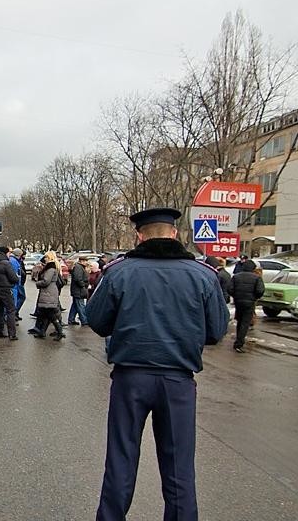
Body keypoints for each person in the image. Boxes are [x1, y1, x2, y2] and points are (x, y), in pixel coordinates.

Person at [86, 207, 229, 521]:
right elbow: (217, 330)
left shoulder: (119, 271)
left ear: (139, 236)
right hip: (178, 380)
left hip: (130, 379)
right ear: (174, 233)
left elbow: (96, 320)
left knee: (121, 459)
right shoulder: (203, 274)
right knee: (179, 467)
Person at [228, 260, 264, 353]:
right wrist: (255, 297)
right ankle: (239, 343)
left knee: (240, 321)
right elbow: (260, 290)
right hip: (250, 303)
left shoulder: (236, 277)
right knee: (245, 322)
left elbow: (230, 289)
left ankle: (238, 340)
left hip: (238, 302)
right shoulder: (256, 278)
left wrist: (235, 296)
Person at [29, 251, 64, 340]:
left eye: (46, 257)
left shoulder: (50, 269)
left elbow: (46, 281)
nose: (45, 259)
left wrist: (38, 283)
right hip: (49, 292)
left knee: (50, 314)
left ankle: (60, 332)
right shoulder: (51, 268)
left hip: (48, 293)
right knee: (46, 314)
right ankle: (42, 332)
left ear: (50, 258)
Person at [0, 246, 19, 340]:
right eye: (9, 253)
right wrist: (15, 280)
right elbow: (13, 278)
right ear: (5, 253)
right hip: (6, 289)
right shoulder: (6, 263)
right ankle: (12, 334)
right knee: (11, 310)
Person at [68, 255, 90, 326]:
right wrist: (83, 285)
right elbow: (78, 278)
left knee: (75, 305)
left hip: (77, 290)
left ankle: (71, 319)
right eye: (86, 261)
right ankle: (84, 320)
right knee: (81, 305)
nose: (87, 262)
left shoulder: (79, 267)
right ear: (82, 261)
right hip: (79, 290)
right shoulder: (78, 267)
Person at [11, 249, 27, 321]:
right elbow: (18, 272)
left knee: (19, 298)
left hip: (20, 283)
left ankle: (15, 313)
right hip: (18, 283)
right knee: (21, 297)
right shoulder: (16, 261)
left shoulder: (18, 261)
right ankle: (14, 313)